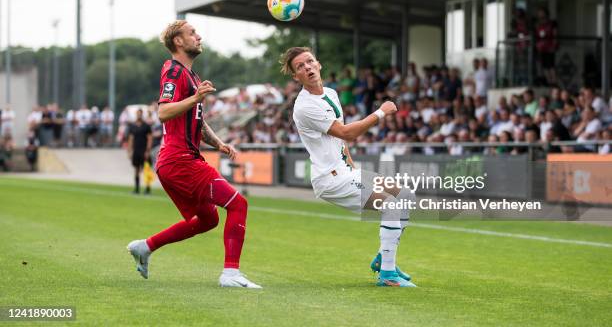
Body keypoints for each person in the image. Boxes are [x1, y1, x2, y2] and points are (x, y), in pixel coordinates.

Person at [127, 20, 261, 289]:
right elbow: (163, 111)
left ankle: (146, 246)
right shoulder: (174, 71)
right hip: (179, 159)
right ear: (178, 41)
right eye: (192, 33)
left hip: (178, 160)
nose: (199, 37)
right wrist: (195, 98)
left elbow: (196, 120)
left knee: (209, 219)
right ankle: (230, 274)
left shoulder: (193, 77)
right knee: (238, 204)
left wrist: (218, 143)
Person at [280, 46, 416, 288]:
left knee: (405, 195)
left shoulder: (330, 93)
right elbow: (346, 132)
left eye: (310, 62)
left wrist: (350, 163)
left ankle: (384, 259)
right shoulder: (305, 106)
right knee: (391, 205)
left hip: (344, 171)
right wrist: (380, 113)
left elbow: (338, 139)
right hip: (330, 179)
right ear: (295, 77)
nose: (307, 67)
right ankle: (387, 275)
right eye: (300, 67)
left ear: (319, 64)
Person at [127, 109, 152, 194]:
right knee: (136, 169)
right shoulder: (132, 126)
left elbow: (149, 138)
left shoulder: (146, 126)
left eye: (140, 114)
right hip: (136, 150)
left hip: (144, 150)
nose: (139, 116)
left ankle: (148, 188)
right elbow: (130, 139)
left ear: (142, 115)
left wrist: (148, 151)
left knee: (146, 169)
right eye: (137, 114)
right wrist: (129, 151)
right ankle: (137, 188)